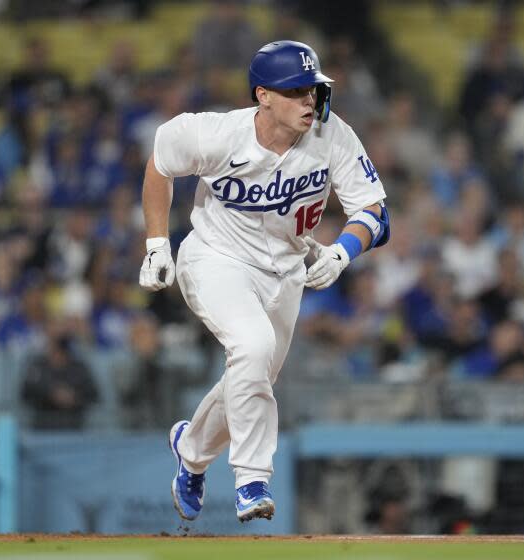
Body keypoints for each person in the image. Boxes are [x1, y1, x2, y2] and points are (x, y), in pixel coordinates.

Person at [138, 41, 389, 523]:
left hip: (287, 273)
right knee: (251, 348)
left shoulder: (331, 135)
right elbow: (159, 165)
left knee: (249, 378)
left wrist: (341, 252)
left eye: (312, 89)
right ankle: (252, 480)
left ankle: (190, 451)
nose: (309, 101)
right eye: (295, 91)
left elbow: (375, 211)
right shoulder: (216, 134)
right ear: (263, 96)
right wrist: (155, 244)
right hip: (216, 257)